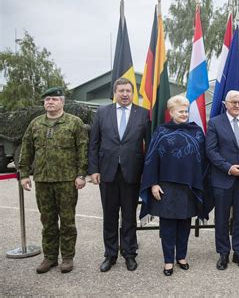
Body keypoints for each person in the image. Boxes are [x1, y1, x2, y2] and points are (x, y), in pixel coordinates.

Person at [18, 87, 88, 274]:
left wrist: (81, 175)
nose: (50, 102)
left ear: (62, 102)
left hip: (66, 180)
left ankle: (67, 257)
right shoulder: (35, 124)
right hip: (42, 180)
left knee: (67, 221)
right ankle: (50, 257)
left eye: (54, 99)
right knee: (47, 221)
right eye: (47, 99)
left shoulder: (74, 123)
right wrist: (24, 174)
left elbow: (83, 150)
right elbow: (26, 150)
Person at [139, 95, 210, 276]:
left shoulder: (196, 132)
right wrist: (153, 183)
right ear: (171, 112)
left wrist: (199, 183)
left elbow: (203, 160)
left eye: (186, 110)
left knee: (185, 224)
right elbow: (152, 158)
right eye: (181, 111)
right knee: (168, 225)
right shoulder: (161, 131)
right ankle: (168, 260)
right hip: (166, 186)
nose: (184, 114)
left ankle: (182, 257)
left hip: (189, 185)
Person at [88, 77, 150, 272]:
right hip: (107, 173)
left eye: (128, 91)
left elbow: (149, 147)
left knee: (130, 216)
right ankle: (110, 254)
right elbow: (94, 144)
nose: (124, 94)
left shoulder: (143, 114)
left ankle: (130, 254)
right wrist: (94, 169)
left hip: (132, 173)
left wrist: (147, 175)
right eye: (121, 91)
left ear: (133, 94)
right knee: (110, 216)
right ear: (115, 93)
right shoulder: (102, 112)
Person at [206, 90, 239, 270]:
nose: (237, 105)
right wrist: (228, 168)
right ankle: (223, 253)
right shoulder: (215, 123)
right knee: (221, 218)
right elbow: (211, 151)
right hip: (223, 178)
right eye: (233, 102)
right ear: (225, 103)